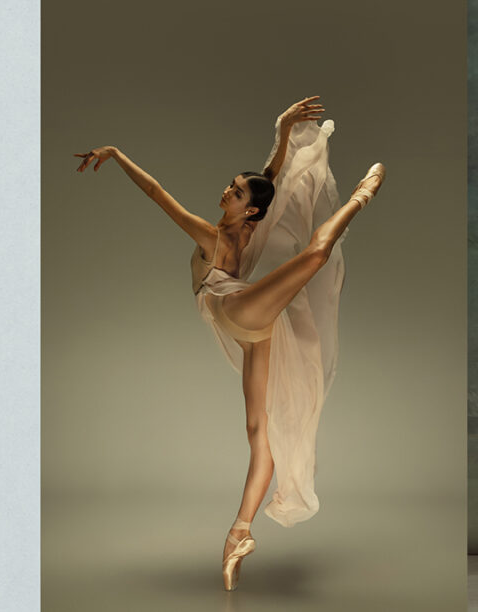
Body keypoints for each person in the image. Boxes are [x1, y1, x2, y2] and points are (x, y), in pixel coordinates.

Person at [72, 95, 388, 589]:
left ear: (251, 211)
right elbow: (242, 180)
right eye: (232, 186)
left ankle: (360, 196)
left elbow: (245, 183)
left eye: (237, 192)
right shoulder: (219, 233)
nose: (227, 191)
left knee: (313, 262)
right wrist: (282, 129)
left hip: (246, 315)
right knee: (261, 432)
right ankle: (238, 534)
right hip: (242, 321)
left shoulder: (233, 235)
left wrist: (116, 155)